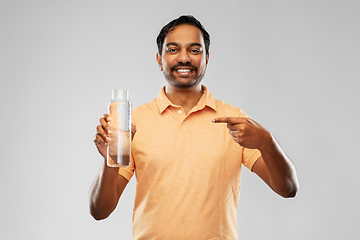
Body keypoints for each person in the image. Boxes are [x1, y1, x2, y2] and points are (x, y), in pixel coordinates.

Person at [89, 15, 299, 240]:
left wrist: (267, 143)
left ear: (207, 58)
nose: (184, 58)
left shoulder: (233, 119)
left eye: (194, 50)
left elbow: (287, 189)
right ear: (159, 59)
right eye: (172, 49)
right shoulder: (134, 122)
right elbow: (100, 211)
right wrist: (109, 159)